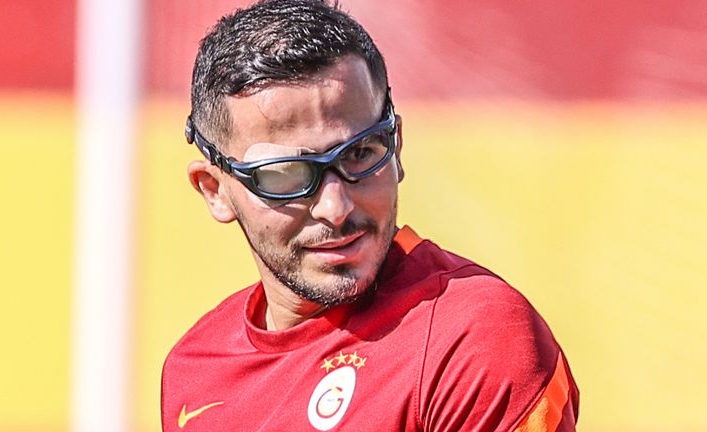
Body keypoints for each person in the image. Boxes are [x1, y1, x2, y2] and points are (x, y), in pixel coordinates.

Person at [161, 0, 579, 430]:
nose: (336, 207)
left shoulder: (472, 335)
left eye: (361, 153)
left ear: (396, 147)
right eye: (286, 175)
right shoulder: (193, 367)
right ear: (215, 191)